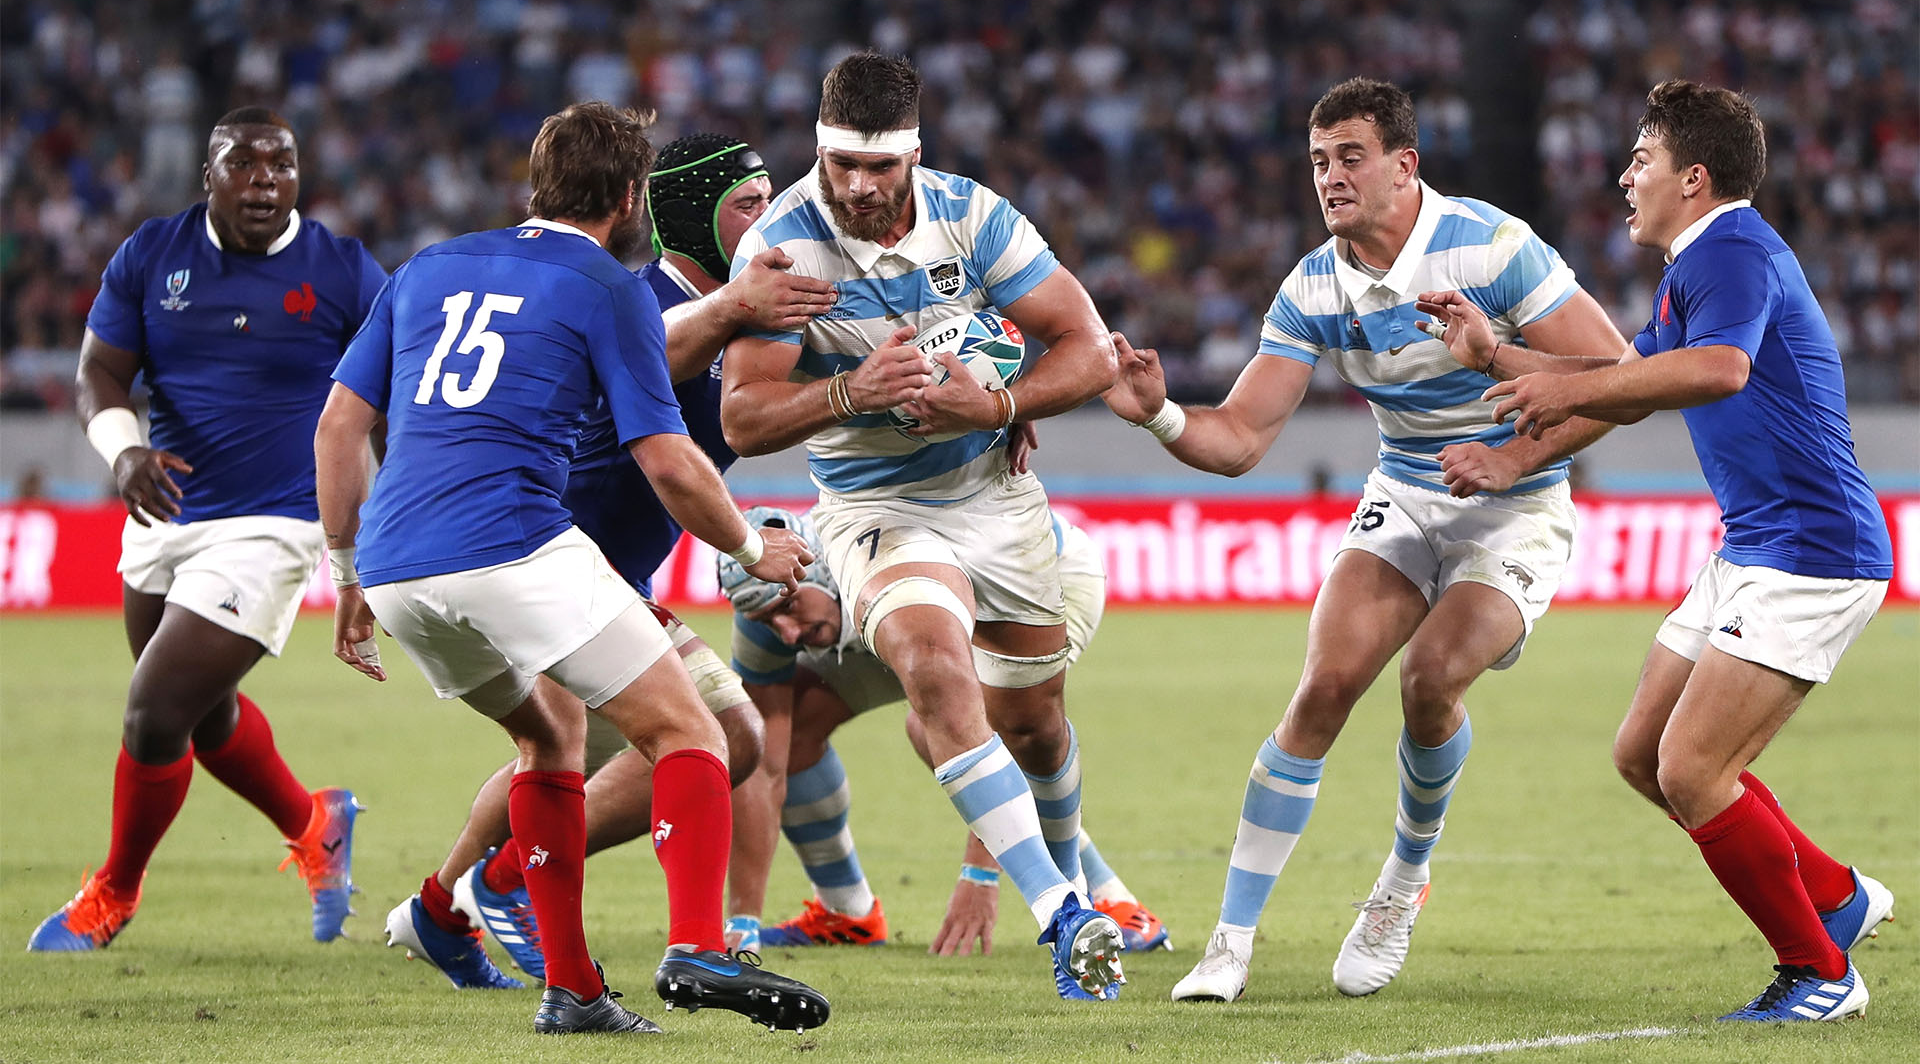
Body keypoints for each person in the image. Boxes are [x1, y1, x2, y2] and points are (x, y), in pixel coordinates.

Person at [1102, 77, 1628, 1003]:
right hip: (1408, 495)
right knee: (1325, 685)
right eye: (1317, 161)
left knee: (1430, 681)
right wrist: (1160, 418)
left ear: (1403, 166)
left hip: (1518, 500)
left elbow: (1618, 377)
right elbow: (1242, 436)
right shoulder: (1314, 284)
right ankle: (1230, 942)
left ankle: (1400, 883)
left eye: (1350, 157)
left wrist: (1507, 460)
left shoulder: (1491, 246)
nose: (1330, 177)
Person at [315, 102, 828, 1036]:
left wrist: (347, 577)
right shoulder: (609, 285)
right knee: (697, 735)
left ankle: (570, 987)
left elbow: (340, 426)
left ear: (537, 181)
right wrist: (755, 551)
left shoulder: (429, 264)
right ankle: (697, 943)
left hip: (396, 567)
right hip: (514, 544)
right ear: (633, 197)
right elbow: (668, 459)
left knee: (549, 744)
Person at [1418, 79, 1895, 1022]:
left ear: (1695, 177)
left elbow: (1720, 370)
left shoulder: (1733, 250)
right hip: (1757, 543)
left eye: (1642, 159)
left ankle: (1821, 972)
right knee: (1645, 754)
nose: (1625, 175)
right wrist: (1498, 363)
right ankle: (1838, 897)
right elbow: (1622, 380)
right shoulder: (1701, 263)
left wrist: (1538, 410)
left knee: (1693, 770)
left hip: (1811, 549)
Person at [720, 52, 1129, 1001]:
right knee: (936, 669)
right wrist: (846, 391)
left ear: (914, 153)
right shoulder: (782, 246)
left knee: (1034, 724)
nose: (860, 188)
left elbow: (1092, 350)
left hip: (992, 493)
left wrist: (996, 407)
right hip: (875, 510)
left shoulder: (975, 217)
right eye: (841, 165)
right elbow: (743, 415)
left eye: (881, 168)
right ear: (819, 149)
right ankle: (1066, 919)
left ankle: (1070, 885)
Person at [30, 107, 383, 953]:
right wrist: (123, 456)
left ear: (300, 176)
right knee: (205, 714)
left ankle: (111, 892)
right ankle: (316, 823)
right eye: (243, 163)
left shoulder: (342, 270)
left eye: (282, 164)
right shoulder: (152, 254)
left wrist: (367, 543)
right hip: (166, 514)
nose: (265, 179)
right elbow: (100, 374)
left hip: (277, 523)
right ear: (209, 177)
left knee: (155, 712)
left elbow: (394, 400)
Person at [715, 502, 1172, 959]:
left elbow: (989, 733)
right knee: (789, 737)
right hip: (891, 617)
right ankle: (846, 913)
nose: (787, 632)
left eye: (789, 606)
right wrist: (742, 921)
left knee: (951, 728)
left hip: (1025, 584)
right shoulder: (766, 620)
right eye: (767, 621)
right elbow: (765, 767)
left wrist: (980, 875)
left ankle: (1111, 899)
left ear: (817, 568)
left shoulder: (882, 553)